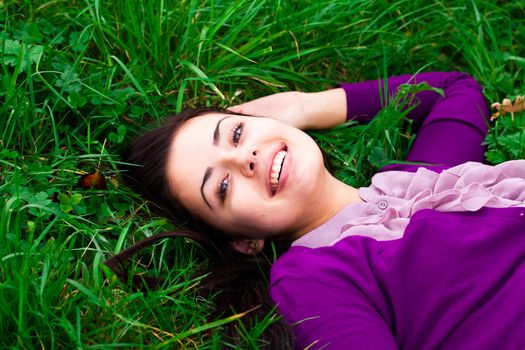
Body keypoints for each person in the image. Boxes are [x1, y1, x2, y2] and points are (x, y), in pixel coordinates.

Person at [116, 71, 525, 349]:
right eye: (222, 186)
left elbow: (455, 89)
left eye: (237, 133)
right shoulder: (310, 279)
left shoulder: (425, 179)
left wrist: (307, 105)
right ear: (244, 241)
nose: (246, 159)